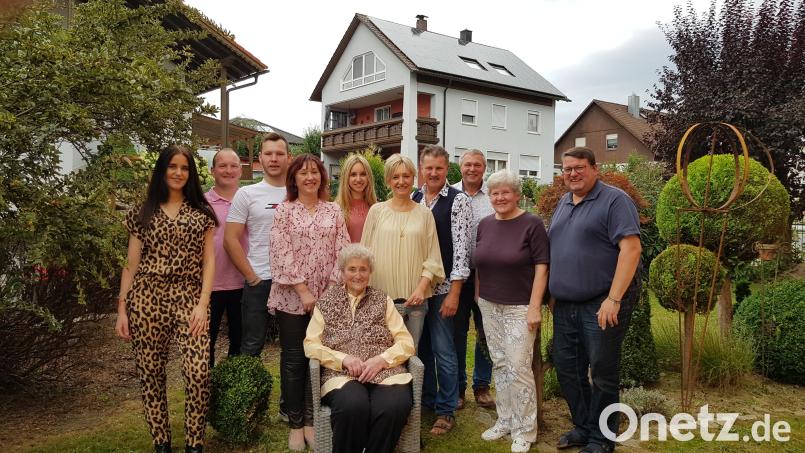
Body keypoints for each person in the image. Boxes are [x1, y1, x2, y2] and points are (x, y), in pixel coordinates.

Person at [115, 145, 218, 453]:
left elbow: (209, 262)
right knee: (150, 372)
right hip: (147, 297)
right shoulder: (142, 211)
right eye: (172, 166)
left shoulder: (202, 213)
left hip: (189, 296)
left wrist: (202, 304)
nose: (178, 172)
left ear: (191, 174)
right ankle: (161, 443)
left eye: (184, 168)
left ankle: (194, 444)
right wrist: (122, 309)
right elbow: (131, 264)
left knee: (199, 371)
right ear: (162, 170)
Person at [548, 147, 642, 453]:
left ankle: (602, 439)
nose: (572, 174)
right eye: (567, 169)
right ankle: (584, 427)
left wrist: (613, 299)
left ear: (594, 168)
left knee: (602, 372)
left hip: (602, 304)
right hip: (566, 306)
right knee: (567, 369)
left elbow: (631, 250)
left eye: (579, 168)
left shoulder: (615, 200)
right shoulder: (564, 202)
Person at [269, 154, 351, 451]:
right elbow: (280, 253)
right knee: (294, 360)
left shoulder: (333, 211)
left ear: (322, 177)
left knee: (318, 358)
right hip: (292, 298)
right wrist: (304, 292)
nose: (309, 177)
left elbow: (343, 251)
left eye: (314, 172)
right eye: (302, 173)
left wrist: (327, 293)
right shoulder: (284, 211)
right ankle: (295, 423)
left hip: (327, 297)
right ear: (294, 179)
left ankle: (311, 421)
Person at [304, 244, 415, 453]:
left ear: (370, 272)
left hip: (385, 371)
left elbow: (406, 342)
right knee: (353, 407)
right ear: (343, 272)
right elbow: (311, 344)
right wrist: (342, 359)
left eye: (363, 269)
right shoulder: (326, 301)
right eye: (352, 269)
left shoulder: (383, 300)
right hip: (342, 374)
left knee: (394, 407)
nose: (358, 275)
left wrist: (382, 359)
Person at [474, 170, 549, 453]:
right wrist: (479, 297)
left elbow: (542, 266)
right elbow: (481, 262)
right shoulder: (485, 225)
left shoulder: (532, 224)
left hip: (520, 306)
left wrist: (534, 306)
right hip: (489, 305)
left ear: (517, 194)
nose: (500, 197)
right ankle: (505, 420)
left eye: (506, 192)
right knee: (500, 363)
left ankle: (525, 430)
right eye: (495, 193)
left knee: (518, 366)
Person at [412, 145, 472, 436]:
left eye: (439, 168)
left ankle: (446, 409)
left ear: (447, 170)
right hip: (417, 290)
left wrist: (455, 292)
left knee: (444, 350)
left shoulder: (458, 201)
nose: (433, 173)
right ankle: (427, 400)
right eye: (428, 167)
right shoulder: (413, 198)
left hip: (443, 288)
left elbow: (462, 251)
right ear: (421, 168)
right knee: (420, 349)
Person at [360, 154, 444, 347]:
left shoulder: (425, 214)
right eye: (395, 177)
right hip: (379, 298)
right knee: (378, 352)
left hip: (415, 300)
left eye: (406, 176)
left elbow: (433, 257)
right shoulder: (377, 211)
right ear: (388, 180)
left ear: (413, 178)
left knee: (409, 354)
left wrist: (421, 290)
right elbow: (363, 256)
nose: (401, 181)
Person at [224, 133, 289, 356]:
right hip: (259, 279)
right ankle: (248, 392)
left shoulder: (299, 193)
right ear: (260, 158)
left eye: (279, 153)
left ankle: (295, 393)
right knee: (251, 344)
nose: (274, 158)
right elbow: (230, 239)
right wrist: (252, 277)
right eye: (269, 154)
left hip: (294, 280)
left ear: (288, 158)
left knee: (294, 348)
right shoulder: (246, 194)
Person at [451, 149, 495, 410]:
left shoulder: (493, 195)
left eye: (477, 165)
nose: (472, 169)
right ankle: (457, 388)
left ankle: (481, 385)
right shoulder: (450, 193)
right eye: (468, 164)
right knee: (457, 333)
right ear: (460, 167)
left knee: (484, 331)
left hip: (486, 275)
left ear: (484, 167)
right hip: (456, 275)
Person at [205, 148, 246, 368]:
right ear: (213, 171)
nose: (228, 170)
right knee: (205, 342)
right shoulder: (201, 204)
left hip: (244, 283)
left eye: (233, 165)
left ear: (240, 170)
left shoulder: (249, 200)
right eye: (222, 165)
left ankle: (234, 394)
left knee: (239, 343)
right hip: (209, 285)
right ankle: (206, 389)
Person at [334, 153, 378, 242]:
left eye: (363, 174)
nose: (358, 179)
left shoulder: (376, 207)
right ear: (346, 178)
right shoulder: (336, 208)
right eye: (353, 174)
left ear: (368, 177)